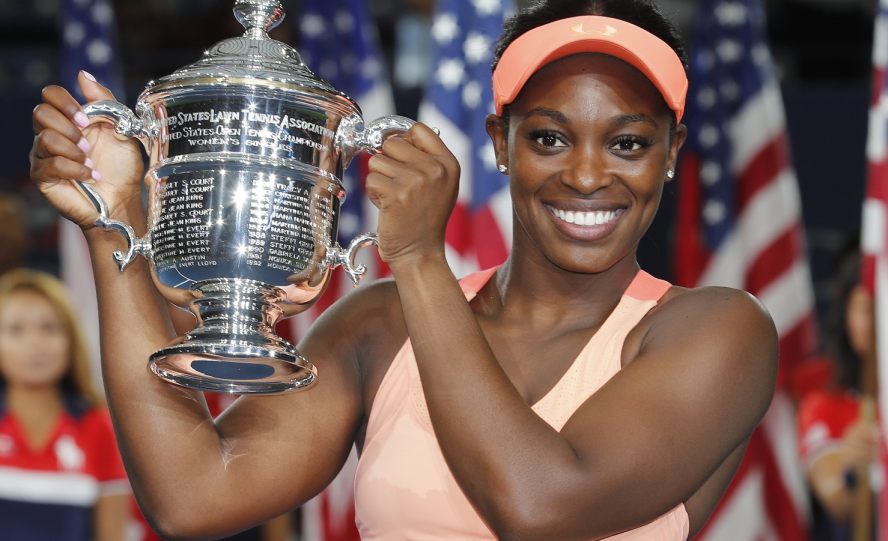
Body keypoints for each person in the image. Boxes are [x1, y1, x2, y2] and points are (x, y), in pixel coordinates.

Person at [27, 0, 779, 539]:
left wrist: (419, 255)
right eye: (548, 138)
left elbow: (541, 506)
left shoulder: (718, 329)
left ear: (673, 153)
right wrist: (113, 224)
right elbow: (194, 496)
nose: (586, 176)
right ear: (500, 141)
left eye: (628, 143)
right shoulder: (379, 323)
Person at [0, 269, 128, 541]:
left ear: (71, 339)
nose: (35, 343)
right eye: (15, 330)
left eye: (49, 327)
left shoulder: (100, 428)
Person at [798, 238, 879, 540]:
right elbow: (835, 499)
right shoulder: (823, 403)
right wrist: (852, 461)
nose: (880, 321)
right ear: (845, 313)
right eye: (866, 309)